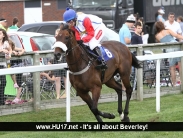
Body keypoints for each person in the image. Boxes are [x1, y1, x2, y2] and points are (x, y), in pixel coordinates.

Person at [154, 21, 183, 86]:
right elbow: (176, 35)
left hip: (169, 50)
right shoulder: (168, 30)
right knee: (180, 65)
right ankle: (182, 82)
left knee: (172, 68)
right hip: (176, 46)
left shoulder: (157, 36)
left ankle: (174, 84)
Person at [8, 39, 25, 104]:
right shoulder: (7, 50)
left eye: (10, 45)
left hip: (19, 65)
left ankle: (17, 98)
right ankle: (15, 83)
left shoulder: (15, 48)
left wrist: (20, 53)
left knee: (19, 81)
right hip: (12, 66)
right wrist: (12, 52)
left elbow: (23, 49)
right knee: (11, 72)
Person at [0, 28, 12, 105]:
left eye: (0, 34)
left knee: (4, 82)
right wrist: (1, 50)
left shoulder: (6, 43)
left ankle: (1, 100)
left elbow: (10, 49)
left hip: (3, 65)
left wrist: (9, 54)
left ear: (3, 35)